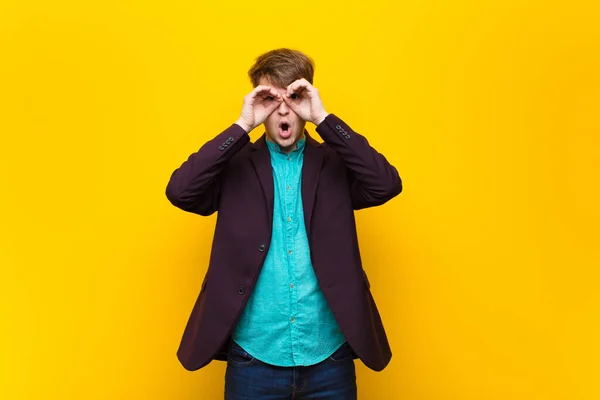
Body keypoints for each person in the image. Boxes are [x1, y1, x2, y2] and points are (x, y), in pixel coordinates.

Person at [165, 48, 403, 399]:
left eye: (293, 98)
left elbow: (386, 184)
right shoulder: (236, 165)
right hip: (254, 358)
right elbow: (180, 192)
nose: (282, 111)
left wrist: (324, 118)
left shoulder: (334, 163)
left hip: (328, 357)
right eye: (270, 99)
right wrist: (242, 125)